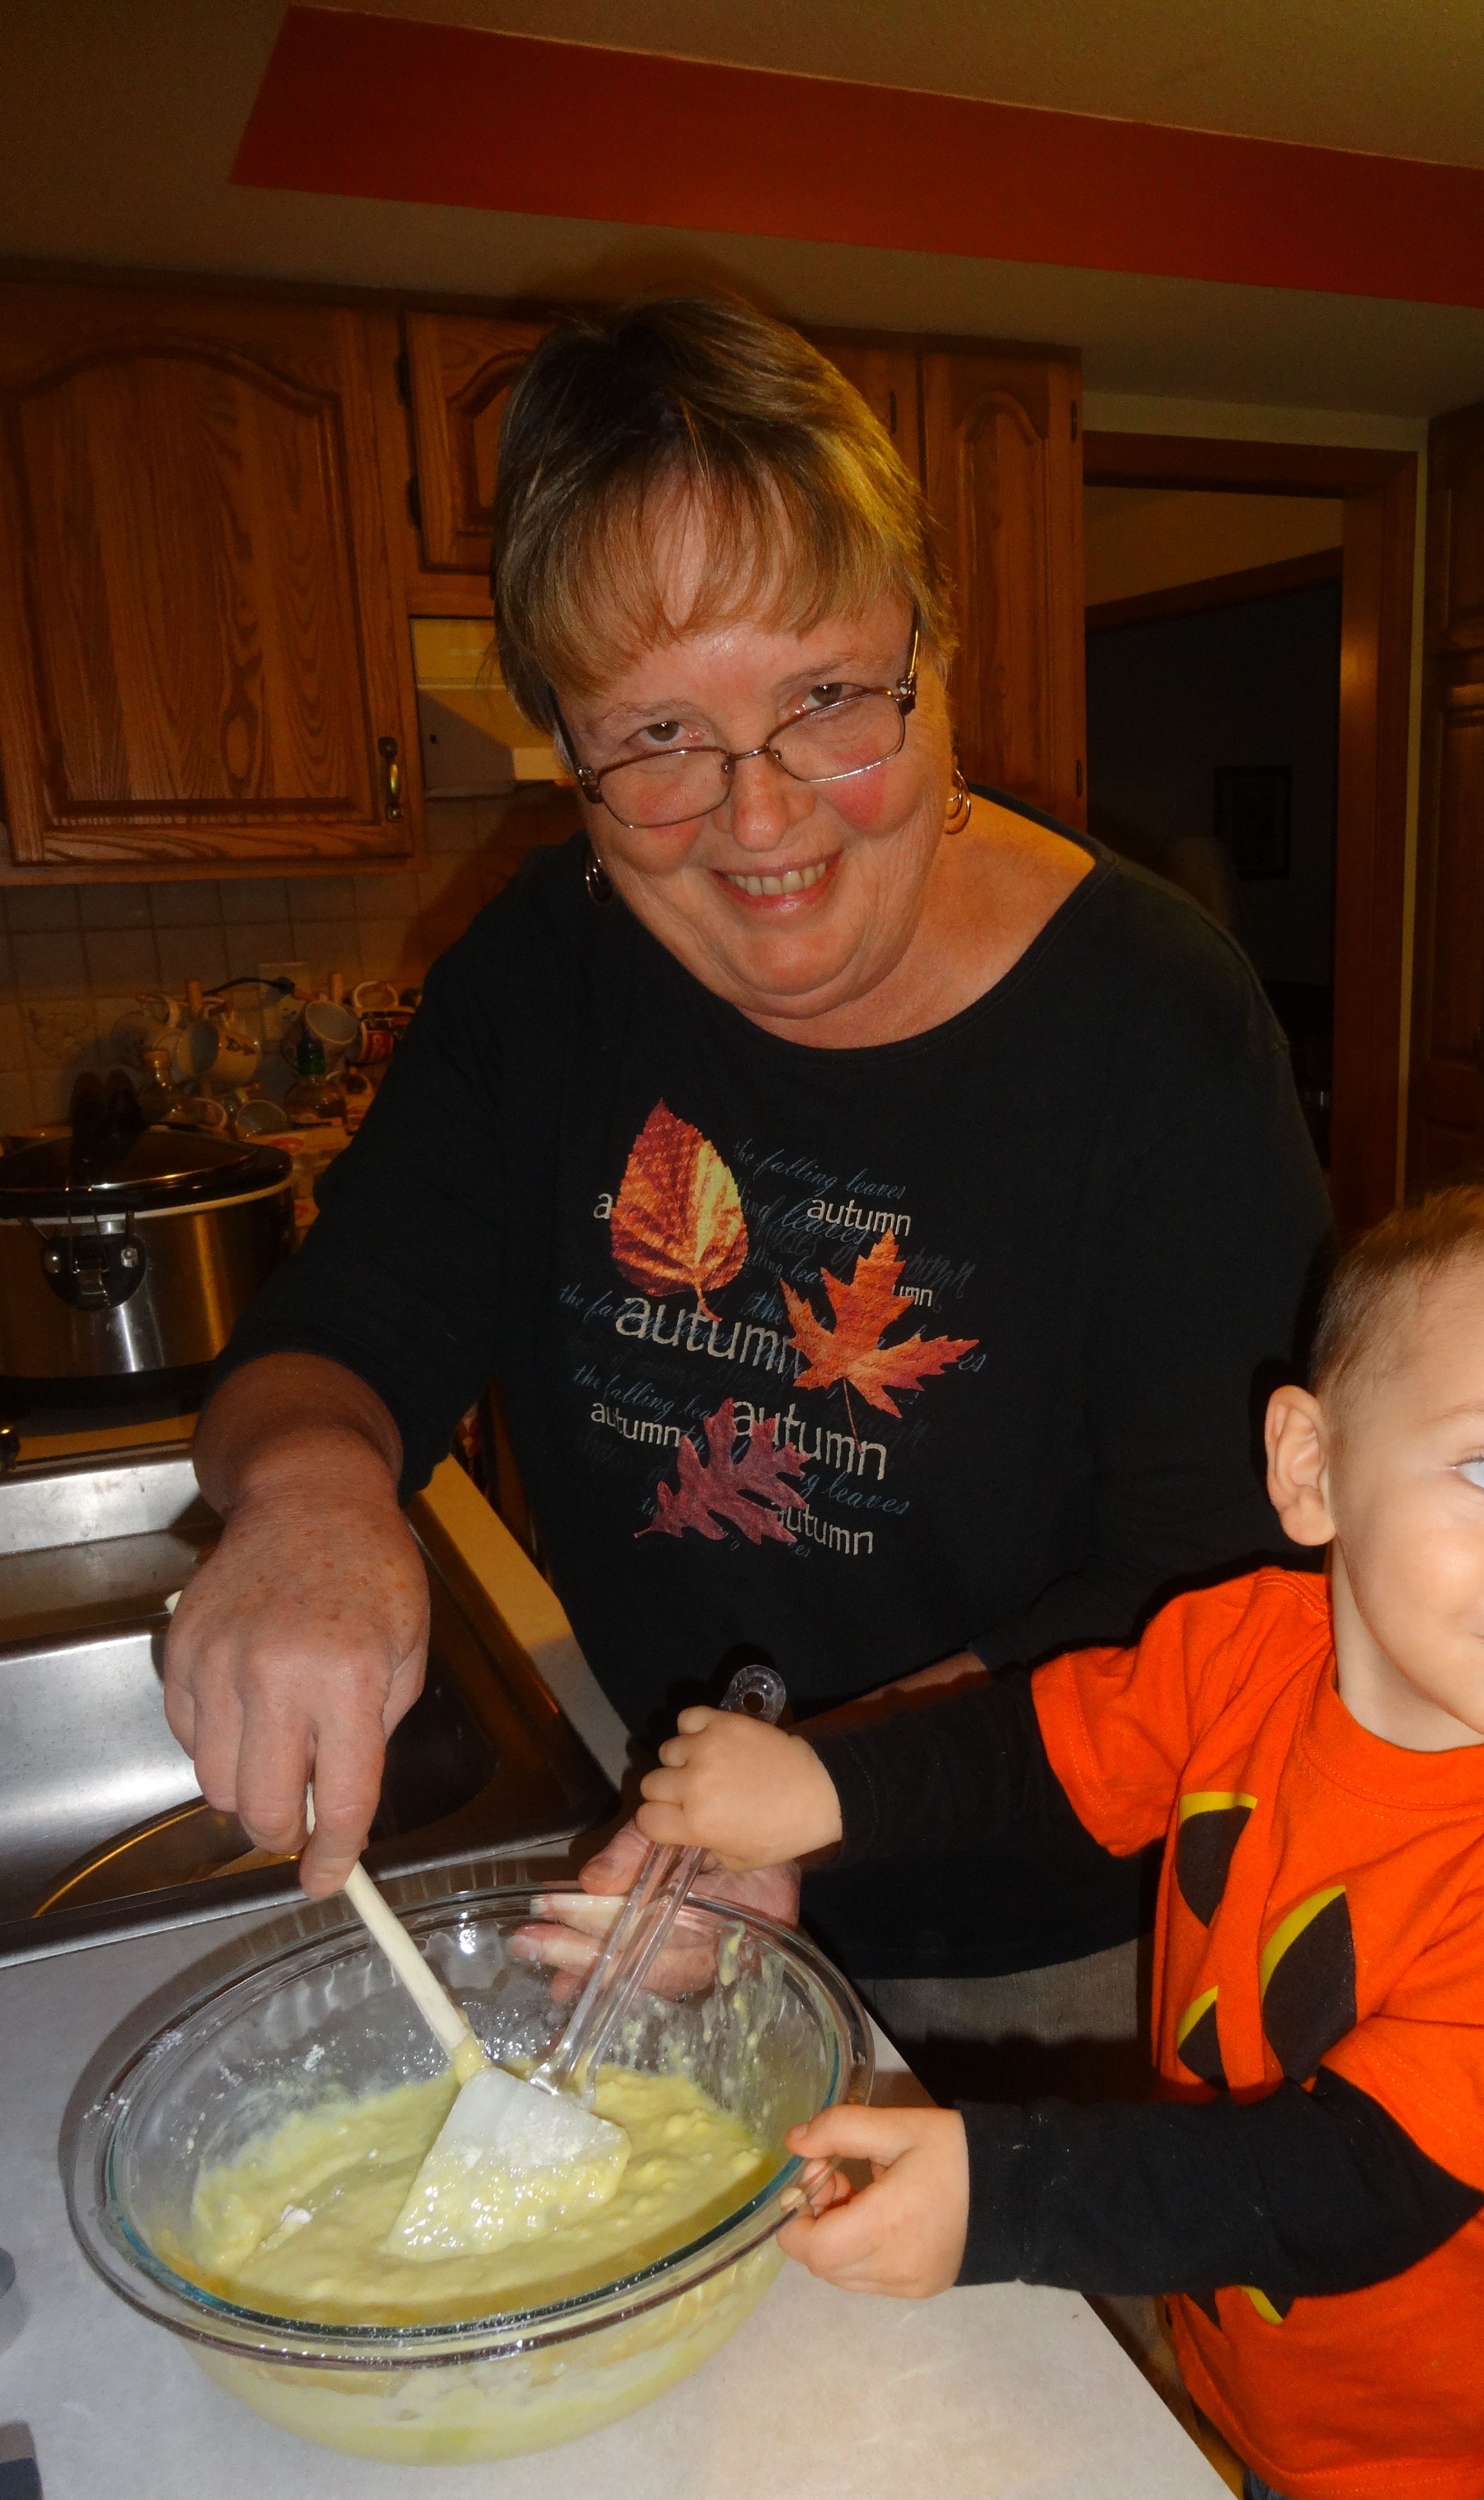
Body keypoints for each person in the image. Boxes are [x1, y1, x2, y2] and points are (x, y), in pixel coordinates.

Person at [166, 294, 1329, 2081]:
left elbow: (1211, 1585)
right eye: (657, 738)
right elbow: (348, 1326)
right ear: (566, 743)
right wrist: (309, 1497)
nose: (764, 818)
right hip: (678, 1880)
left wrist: (812, 1798)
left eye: (827, 701)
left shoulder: (1157, 1020)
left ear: (933, 654)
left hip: (1057, 1949)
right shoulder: (541, 973)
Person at [618, 1162, 1484, 2500]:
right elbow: (1043, 1752)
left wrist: (1004, 2195)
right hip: (1289, 2414)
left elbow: (1349, 2188)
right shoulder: (1250, 1646)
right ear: (1313, 1470)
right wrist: (823, 1791)